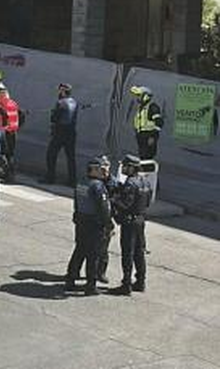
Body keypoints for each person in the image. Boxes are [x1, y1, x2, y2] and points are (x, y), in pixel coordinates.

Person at [65, 157, 113, 295]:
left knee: (79, 250)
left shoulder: (81, 182)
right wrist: (108, 224)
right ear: (94, 169)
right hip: (94, 222)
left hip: (81, 219)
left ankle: (70, 279)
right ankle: (90, 285)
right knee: (93, 255)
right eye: (101, 169)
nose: (103, 172)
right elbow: (103, 207)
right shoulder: (97, 186)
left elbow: (76, 201)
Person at [110, 155, 152, 295]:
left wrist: (114, 199)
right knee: (139, 252)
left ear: (132, 168)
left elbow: (125, 204)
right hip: (140, 220)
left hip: (130, 222)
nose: (123, 168)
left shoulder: (131, 183)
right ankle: (140, 281)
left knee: (128, 253)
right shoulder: (146, 181)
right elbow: (147, 201)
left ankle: (126, 284)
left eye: (125, 166)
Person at [45, 83, 78, 185]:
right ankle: (72, 181)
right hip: (71, 133)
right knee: (70, 157)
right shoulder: (75, 102)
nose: (59, 92)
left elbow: (54, 118)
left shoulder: (61, 103)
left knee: (51, 155)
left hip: (60, 132)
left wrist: (53, 113)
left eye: (60, 90)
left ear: (63, 91)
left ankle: (50, 178)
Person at [0, 84, 20, 182]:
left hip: (4, 132)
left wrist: (3, 127)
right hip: (13, 131)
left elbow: (4, 115)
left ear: (0, 94)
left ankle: (3, 174)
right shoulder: (13, 103)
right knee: (10, 154)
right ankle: (11, 175)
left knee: (2, 154)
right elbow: (21, 114)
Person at [130, 86, 164, 160]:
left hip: (148, 137)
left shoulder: (152, 107)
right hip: (141, 136)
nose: (137, 98)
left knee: (147, 158)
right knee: (142, 156)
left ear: (145, 96)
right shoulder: (141, 108)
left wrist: (153, 137)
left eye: (139, 95)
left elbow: (159, 123)